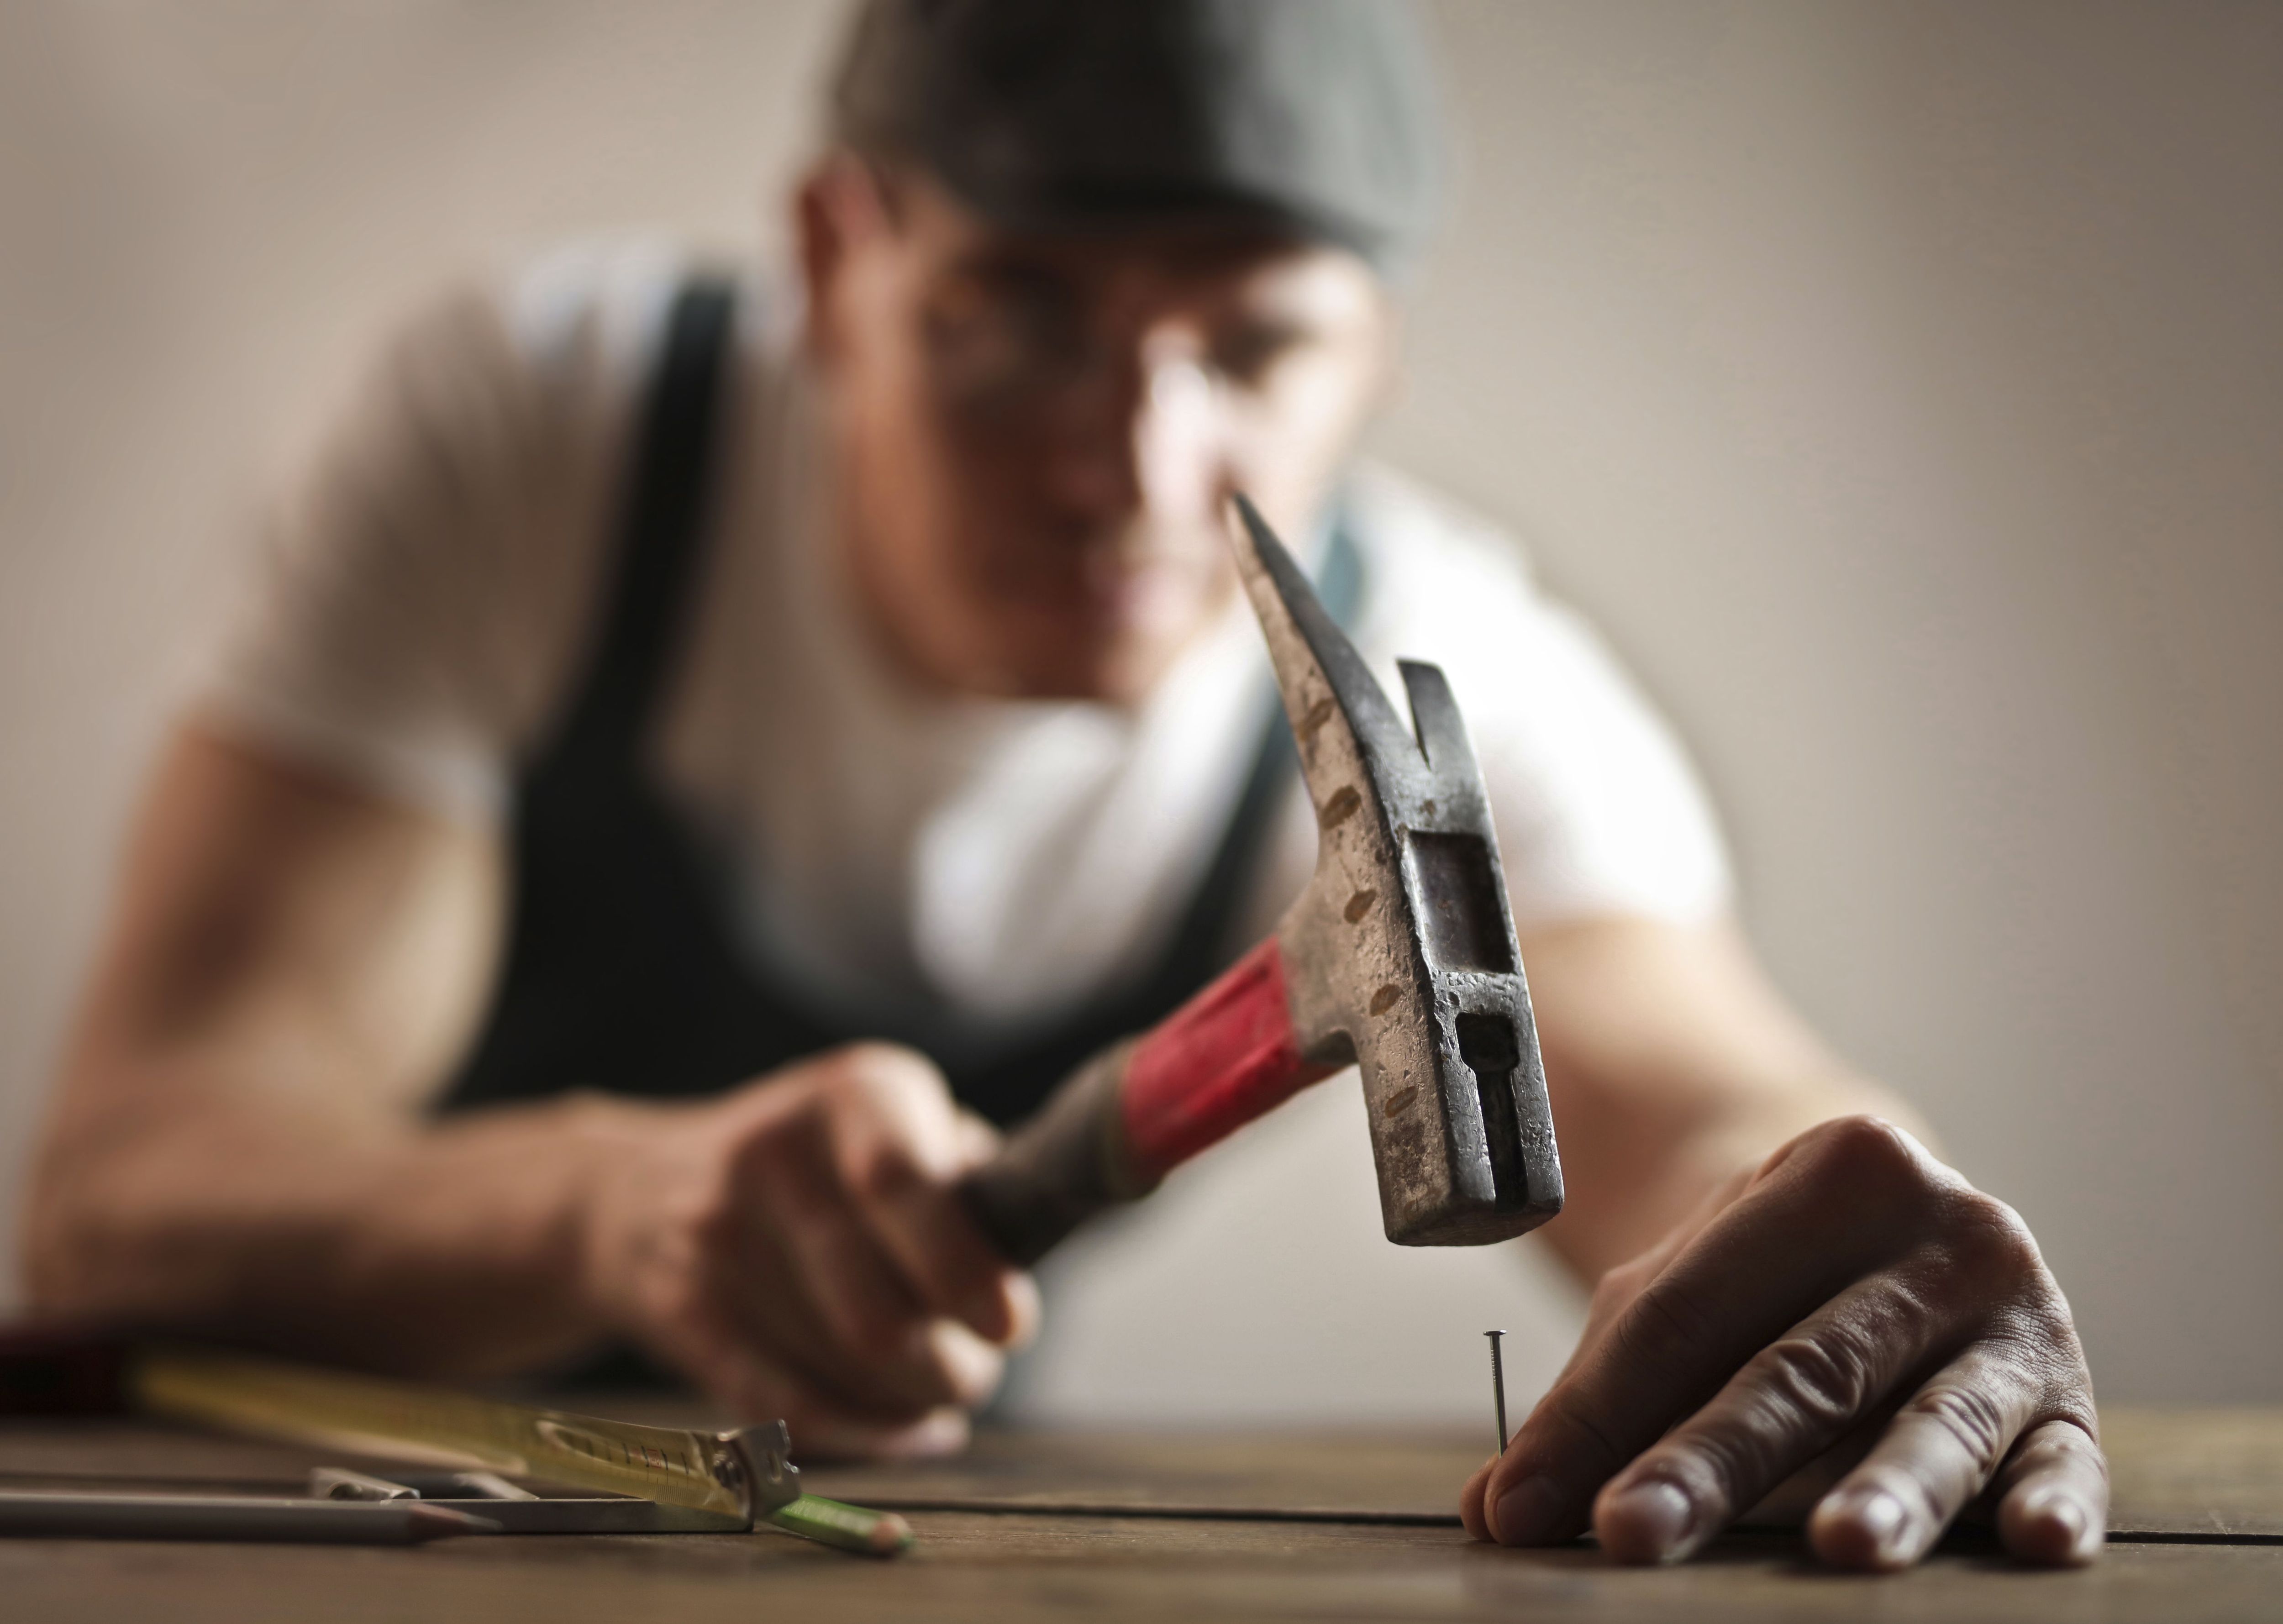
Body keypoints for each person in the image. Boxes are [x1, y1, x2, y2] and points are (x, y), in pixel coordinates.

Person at [21, 0, 2102, 1572]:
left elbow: (1711, 1120)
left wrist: (1876, 1259)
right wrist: (605, 1206)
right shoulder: (542, 450)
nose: (1132, 466)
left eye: (1256, 350)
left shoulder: (1452, 664)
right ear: (836, 259)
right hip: (314, 1528)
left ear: (1370, 351)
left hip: (889, 1538)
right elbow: (122, 1196)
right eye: (1015, 319)